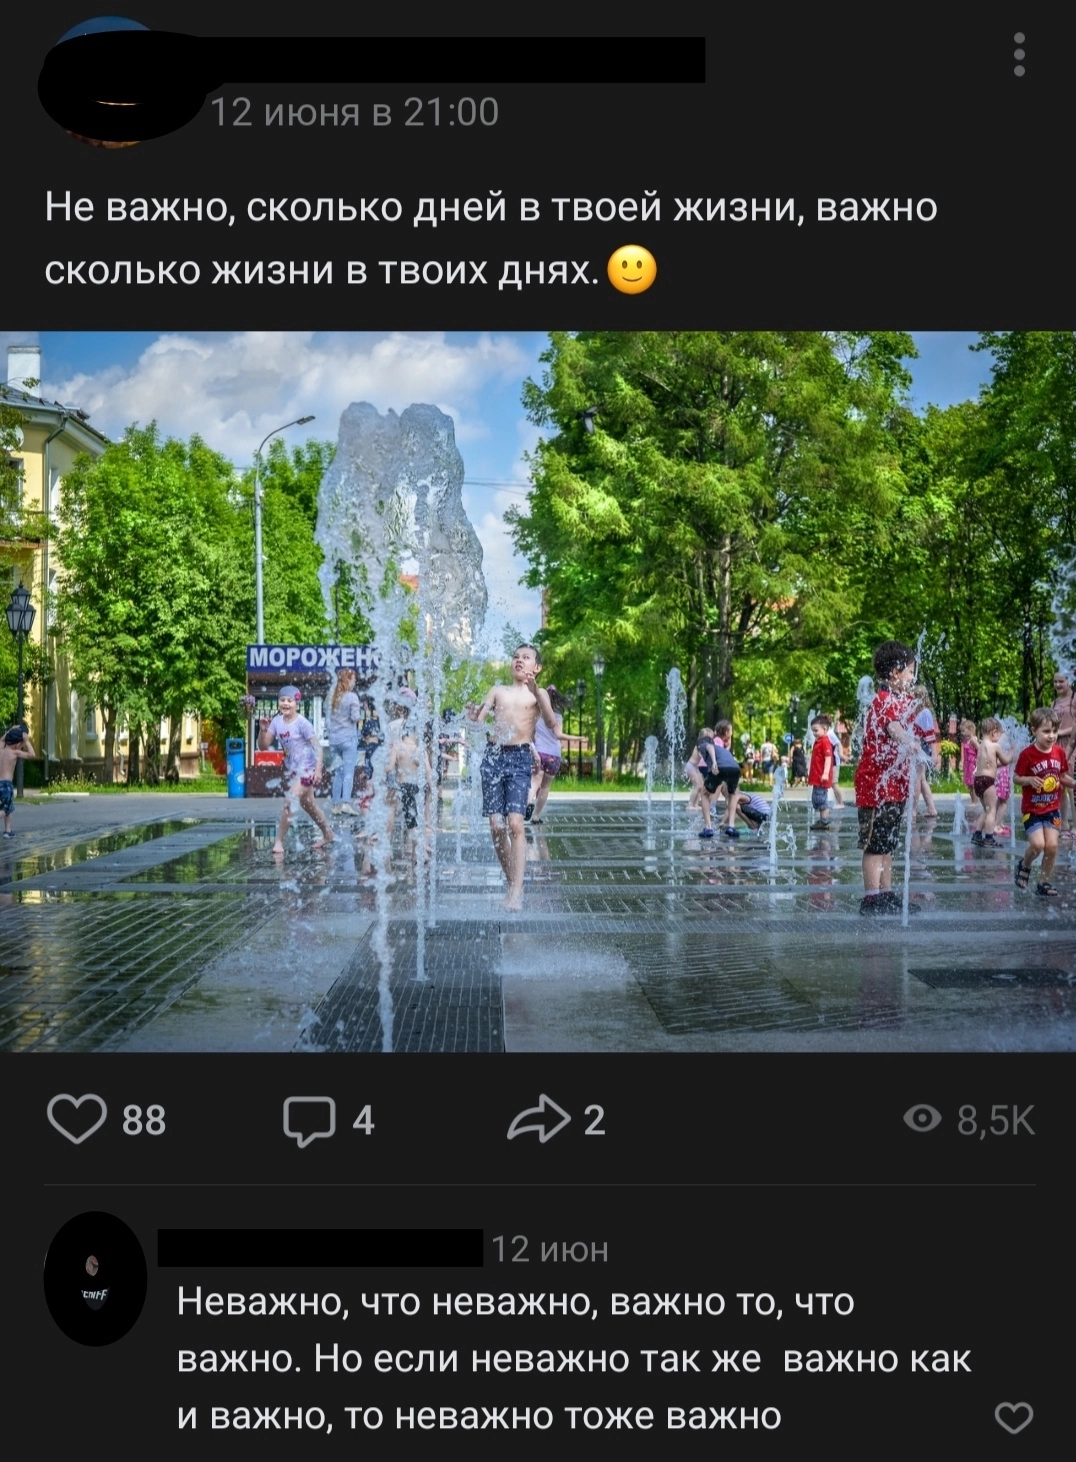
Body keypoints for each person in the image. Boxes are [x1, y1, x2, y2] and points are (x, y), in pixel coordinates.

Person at [466, 643, 559, 911]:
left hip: (519, 758)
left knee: (516, 824)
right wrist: (473, 718)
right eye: (516, 656)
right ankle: (513, 883)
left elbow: (551, 723)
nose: (519, 660)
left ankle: (516, 892)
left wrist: (537, 691)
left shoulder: (538, 694)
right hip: (494, 756)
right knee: (496, 826)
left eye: (526, 658)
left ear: (536, 667)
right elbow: (479, 722)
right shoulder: (498, 691)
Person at [853, 640, 922, 916]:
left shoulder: (900, 700)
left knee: (888, 843)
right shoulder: (883, 700)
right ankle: (871, 898)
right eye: (909, 672)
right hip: (875, 787)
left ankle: (886, 893)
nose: (912, 677)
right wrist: (909, 741)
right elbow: (893, 727)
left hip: (892, 786)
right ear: (895, 672)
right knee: (874, 844)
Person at [258, 686, 334, 855]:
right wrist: (263, 730)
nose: (285, 703)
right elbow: (263, 746)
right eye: (282, 700)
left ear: (296, 703)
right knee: (310, 806)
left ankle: (279, 841)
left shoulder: (302, 723)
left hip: (307, 770)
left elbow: (318, 748)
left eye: (289, 700)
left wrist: (318, 771)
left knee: (290, 799)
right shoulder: (276, 722)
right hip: (294, 772)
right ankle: (328, 834)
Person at [1013, 707, 1075, 898]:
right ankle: (1025, 864)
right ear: (1034, 730)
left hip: (1052, 809)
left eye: (1054, 731)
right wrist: (1029, 780)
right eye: (1046, 731)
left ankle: (1043, 882)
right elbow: (1016, 778)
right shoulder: (1027, 755)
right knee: (1038, 845)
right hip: (1032, 810)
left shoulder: (1059, 752)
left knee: (1052, 846)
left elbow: (1062, 776)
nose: (1051, 736)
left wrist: (1074, 783)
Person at [527, 684, 585, 825]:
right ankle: (536, 816)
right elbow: (558, 735)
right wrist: (578, 738)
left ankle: (528, 803)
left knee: (535, 782)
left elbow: (532, 735)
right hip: (553, 755)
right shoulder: (557, 716)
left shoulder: (537, 714)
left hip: (539, 752)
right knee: (545, 787)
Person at [971, 717, 1012, 847]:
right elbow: (1005, 761)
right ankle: (989, 838)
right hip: (988, 781)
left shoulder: (981, 746)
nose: (999, 738)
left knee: (986, 809)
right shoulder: (995, 746)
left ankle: (977, 835)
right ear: (993, 732)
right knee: (992, 810)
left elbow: (993, 763)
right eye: (998, 735)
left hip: (977, 780)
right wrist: (1012, 752)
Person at [326, 668, 362, 816]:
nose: (354, 682)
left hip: (334, 741)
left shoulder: (332, 697)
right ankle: (346, 803)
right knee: (348, 773)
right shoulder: (352, 697)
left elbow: (328, 721)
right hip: (348, 739)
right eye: (353, 679)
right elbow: (355, 717)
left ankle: (335, 805)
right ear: (348, 680)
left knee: (338, 773)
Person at [1049, 671, 1076, 838]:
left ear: (1069, 681)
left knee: (1072, 786)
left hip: (1071, 746)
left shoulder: (1074, 699)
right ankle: (1063, 822)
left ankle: (1075, 826)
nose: (1058, 684)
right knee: (1060, 785)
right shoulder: (1054, 702)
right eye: (1055, 682)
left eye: (1061, 681)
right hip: (1056, 747)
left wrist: (1061, 732)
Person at [0, 724, 36, 837]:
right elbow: (32, 755)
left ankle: (8, 831)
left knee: (9, 807)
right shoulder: (15, 753)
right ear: (17, 745)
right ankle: (8, 831)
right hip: (6, 785)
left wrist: (10, 730)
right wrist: (27, 741)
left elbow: (2, 739)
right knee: (5, 809)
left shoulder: (1, 748)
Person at [911, 686, 940, 817]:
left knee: (917, 778)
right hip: (919, 747)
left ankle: (913, 809)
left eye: (915, 696)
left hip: (922, 747)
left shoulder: (925, 712)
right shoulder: (918, 713)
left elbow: (930, 734)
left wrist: (934, 753)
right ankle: (931, 809)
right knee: (921, 779)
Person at [711, 720, 744, 836]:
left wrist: (728, 746)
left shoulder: (718, 741)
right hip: (730, 769)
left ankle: (716, 811)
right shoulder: (717, 741)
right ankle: (729, 823)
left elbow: (721, 754)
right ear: (726, 732)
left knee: (729, 792)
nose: (732, 733)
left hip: (726, 769)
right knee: (731, 793)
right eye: (731, 731)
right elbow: (719, 755)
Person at [808, 714, 835, 830]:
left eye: (816, 730)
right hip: (817, 776)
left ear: (824, 729)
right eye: (812, 731)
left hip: (821, 777)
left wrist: (825, 773)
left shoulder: (825, 742)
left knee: (821, 799)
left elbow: (828, 758)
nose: (814, 733)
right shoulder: (819, 741)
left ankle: (824, 821)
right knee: (817, 798)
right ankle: (822, 820)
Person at [960, 719, 980, 816]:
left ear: (970, 730)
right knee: (969, 784)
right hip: (968, 765)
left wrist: (978, 761)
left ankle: (976, 801)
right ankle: (973, 800)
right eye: (961, 731)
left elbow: (980, 749)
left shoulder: (973, 740)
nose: (962, 733)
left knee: (973, 784)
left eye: (964, 731)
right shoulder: (966, 741)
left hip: (972, 765)